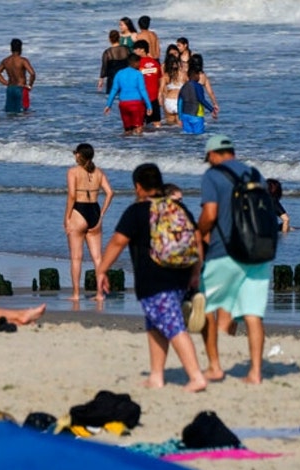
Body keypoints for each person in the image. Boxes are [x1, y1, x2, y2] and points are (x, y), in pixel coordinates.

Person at [94, 163, 207, 392]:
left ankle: (196, 376)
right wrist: (195, 272)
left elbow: (117, 242)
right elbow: (197, 239)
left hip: (154, 279)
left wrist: (101, 270)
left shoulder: (136, 212)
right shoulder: (178, 208)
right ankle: (156, 376)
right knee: (155, 324)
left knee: (173, 326)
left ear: (138, 187)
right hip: (180, 275)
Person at [197, 135, 270, 385]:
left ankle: (215, 367)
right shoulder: (255, 174)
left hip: (223, 252)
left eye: (209, 158)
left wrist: (198, 232)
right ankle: (255, 373)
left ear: (214, 154)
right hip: (257, 251)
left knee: (207, 307)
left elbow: (210, 213)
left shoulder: (212, 175)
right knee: (252, 314)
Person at [64, 144, 114, 300]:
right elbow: (110, 193)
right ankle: (100, 294)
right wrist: (102, 213)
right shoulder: (99, 172)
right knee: (98, 258)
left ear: (79, 155)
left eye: (75, 154)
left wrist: (67, 216)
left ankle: (76, 294)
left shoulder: (73, 172)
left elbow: (72, 195)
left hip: (78, 211)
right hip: (95, 211)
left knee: (76, 257)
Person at [105, 53, 151, 136]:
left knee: (127, 130)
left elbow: (114, 90)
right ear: (135, 63)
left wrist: (108, 105)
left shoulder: (119, 73)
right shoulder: (138, 74)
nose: (140, 64)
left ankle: (126, 146)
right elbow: (142, 90)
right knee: (138, 129)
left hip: (123, 104)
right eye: (139, 62)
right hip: (136, 104)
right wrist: (149, 105)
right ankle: (138, 147)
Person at [0, 39, 35, 114]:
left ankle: (11, 126)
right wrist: (30, 85)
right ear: (21, 48)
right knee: (24, 112)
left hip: (10, 88)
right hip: (20, 88)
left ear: (11, 48)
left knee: (10, 112)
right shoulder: (23, 60)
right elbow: (32, 73)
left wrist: (6, 83)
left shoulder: (6, 61)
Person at [179, 58, 217, 135]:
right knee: (198, 136)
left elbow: (179, 101)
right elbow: (201, 99)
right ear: (195, 75)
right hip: (196, 115)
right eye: (198, 75)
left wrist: (180, 117)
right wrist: (211, 109)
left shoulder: (184, 86)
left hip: (185, 115)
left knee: (187, 135)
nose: (199, 77)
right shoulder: (198, 86)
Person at [132, 40, 162, 128]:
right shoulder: (156, 63)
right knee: (157, 123)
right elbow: (160, 79)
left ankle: (143, 141)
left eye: (136, 49)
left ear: (142, 50)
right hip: (154, 97)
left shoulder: (137, 64)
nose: (134, 51)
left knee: (139, 125)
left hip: (142, 98)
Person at [98, 30, 129, 95]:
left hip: (113, 78)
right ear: (119, 38)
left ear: (109, 39)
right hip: (125, 77)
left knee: (112, 97)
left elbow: (104, 67)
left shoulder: (107, 52)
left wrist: (101, 80)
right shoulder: (126, 49)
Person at [161, 52, 186, 126]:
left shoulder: (165, 76)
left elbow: (162, 91)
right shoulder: (183, 74)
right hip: (179, 102)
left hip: (169, 101)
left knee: (170, 127)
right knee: (180, 126)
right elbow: (190, 87)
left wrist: (163, 104)